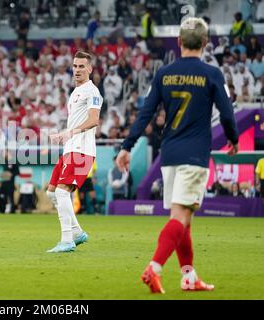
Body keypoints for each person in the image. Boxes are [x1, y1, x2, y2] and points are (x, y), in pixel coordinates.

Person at [116, 18, 239, 293]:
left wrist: (127, 146)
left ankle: (188, 277)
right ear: (205, 44)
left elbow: (145, 113)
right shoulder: (211, 73)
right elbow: (227, 113)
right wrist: (233, 139)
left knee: (183, 218)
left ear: (179, 42)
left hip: (168, 155)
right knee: (180, 218)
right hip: (194, 155)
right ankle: (154, 268)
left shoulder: (164, 74)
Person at [46, 51, 103, 252]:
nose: (77, 70)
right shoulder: (75, 92)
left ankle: (67, 240)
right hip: (70, 148)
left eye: (81, 66)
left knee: (62, 192)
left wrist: (70, 132)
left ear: (90, 69)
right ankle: (77, 232)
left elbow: (94, 119)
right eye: (75, 66)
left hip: (82, 150)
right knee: (51, 192)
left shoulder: (92, 91)